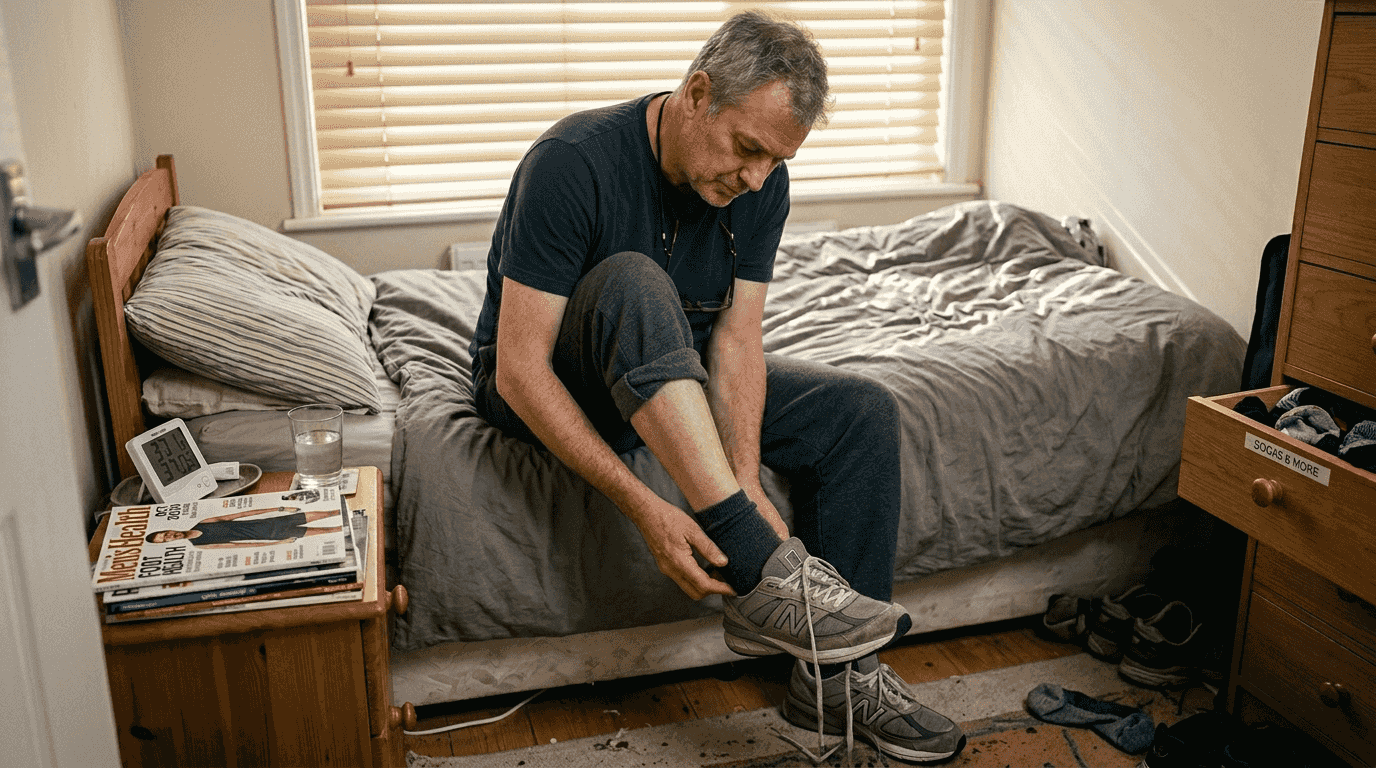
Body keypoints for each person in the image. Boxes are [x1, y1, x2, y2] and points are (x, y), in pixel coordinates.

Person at [467, 10, 965, 763]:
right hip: (550, 380)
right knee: (637, 281)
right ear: (697, 93)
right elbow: (519, 369)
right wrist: (646, 508)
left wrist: (742, 471)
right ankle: (761, 568)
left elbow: (735, 340)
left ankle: (835, 685)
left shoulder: (763, 185)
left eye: (776, 161)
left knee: (860, 410)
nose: (757, 178)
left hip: (673, 374)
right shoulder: (572, 161)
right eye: (747, 149)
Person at [146, 506, 341, 549]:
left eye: (165, 534)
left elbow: (243, 514)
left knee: (331, 513)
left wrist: (281, 507)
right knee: (329, 531)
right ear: (169, 543)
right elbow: (242, 546)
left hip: (278, 520)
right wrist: (279, 543)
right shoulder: (200, 545)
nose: (170, 536)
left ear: (168, 529)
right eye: (167, 540)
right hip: (273, 535)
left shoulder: (202, 522)